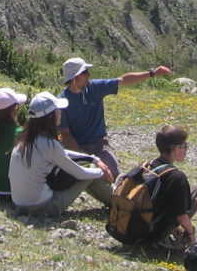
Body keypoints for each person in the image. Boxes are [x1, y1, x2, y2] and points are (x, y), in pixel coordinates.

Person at [57, 55, 172, 203]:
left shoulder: (95, 88)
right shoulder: (62, 101)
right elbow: (66, 135)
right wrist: (87, 158)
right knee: (91, 176)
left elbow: (123, 80)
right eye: (85, 72)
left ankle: (125, 201)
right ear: (75, 78)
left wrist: (152, 73)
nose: (89, 75)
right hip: (77, 149)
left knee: (116, 177)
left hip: (99, 145)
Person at [9, 91, 113, 216]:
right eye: (57, 110)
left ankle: (116, 200)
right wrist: (102, 173)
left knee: (91, 166)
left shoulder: (24, 140)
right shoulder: (49, 144)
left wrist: (93, 158)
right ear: (50, 116)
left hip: (19, 204)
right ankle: (119, 203)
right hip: (43, 207)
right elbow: (79, 173)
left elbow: (62, 153)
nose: (60, 112)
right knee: (92, 172)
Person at [141, 125, 197, 249]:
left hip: (139, 229)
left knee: (196, 189)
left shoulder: (148, 167)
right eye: (185, 146)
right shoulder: (176, 177)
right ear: (175, 148)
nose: (186, 149)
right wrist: (191, 234)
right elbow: (181, 216)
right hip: (157, 237)